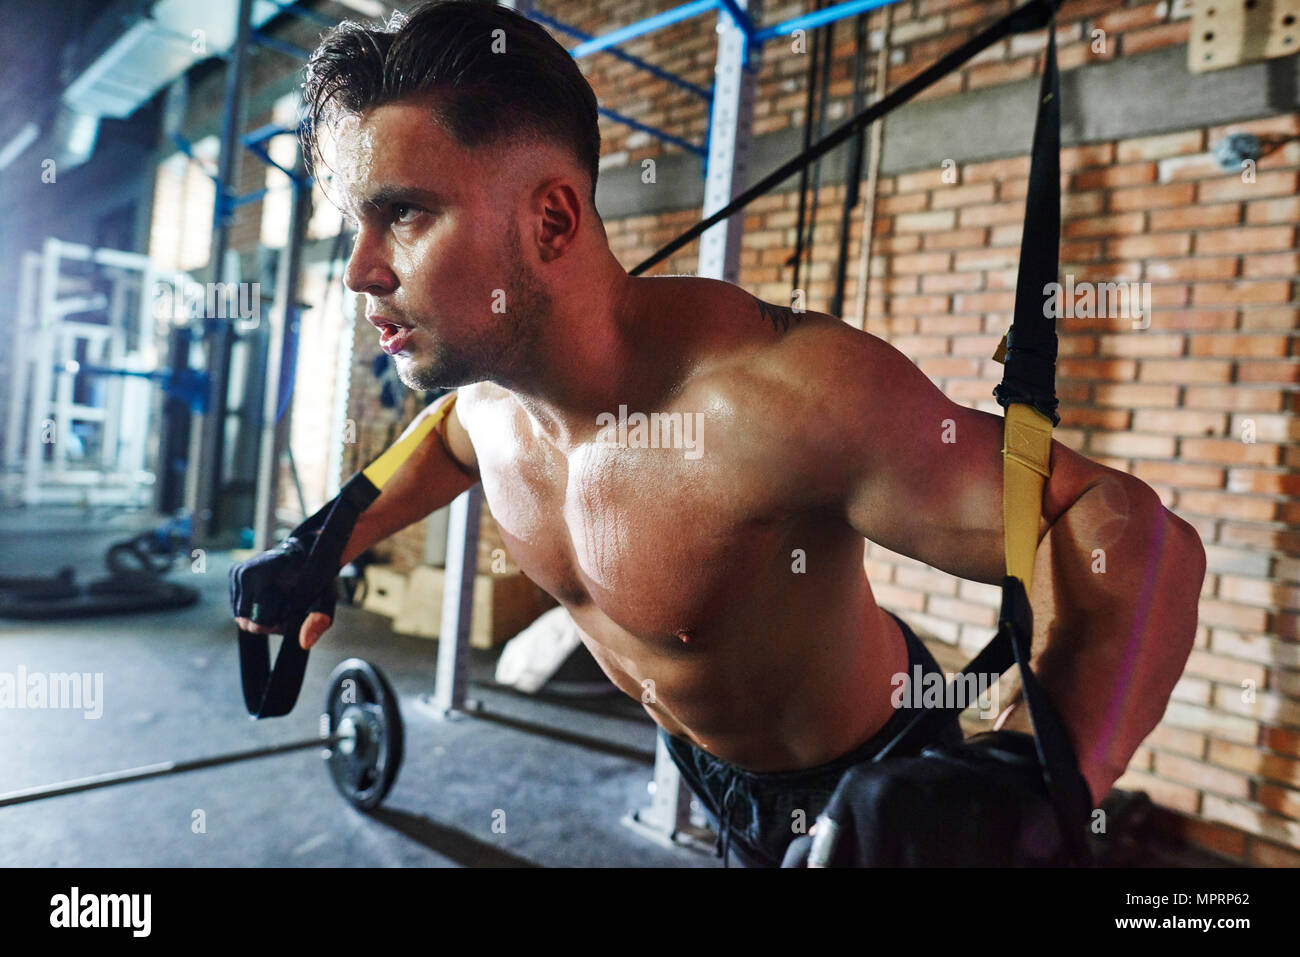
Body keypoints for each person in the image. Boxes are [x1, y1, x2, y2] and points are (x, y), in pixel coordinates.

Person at [231, 0, 1205, 867]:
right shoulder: (488, 399)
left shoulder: (777, 398)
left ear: (554, 221)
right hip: (712, 776)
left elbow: (1136, 532)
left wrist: (1032, 781)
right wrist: (324, 539)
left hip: (882, 781)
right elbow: (448, 442)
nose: (359, 270)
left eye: (401, 214)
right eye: (353, 222)